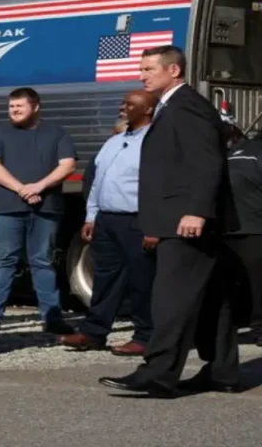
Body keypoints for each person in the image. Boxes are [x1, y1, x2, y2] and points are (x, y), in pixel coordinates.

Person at [100, 45, 238, 397]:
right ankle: (222, 372)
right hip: (178, 218)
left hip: (186, 221)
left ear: (173, 71)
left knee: (170, 299)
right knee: (211, 298)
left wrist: (197, 210)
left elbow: (207, 162)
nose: (142, 75)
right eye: (141, 68)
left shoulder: (187, 106)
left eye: (149, 69)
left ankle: (158, 372)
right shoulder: (173, 106)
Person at [60, 90, 157, 356]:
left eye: (130, 103)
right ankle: (93, 333)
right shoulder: (113, 143)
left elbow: (159, 187)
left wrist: (155, 224)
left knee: (141, 280)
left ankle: (145, 336)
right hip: (107, 220)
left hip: (137, 219)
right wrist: (91, 216)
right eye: (123, 102)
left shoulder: (155, 141)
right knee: (105, 279)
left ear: (148, 110)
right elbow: (98, 182)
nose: (122, 106)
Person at [0, 87, 76, 335]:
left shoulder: (56, 132)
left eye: (20, 106)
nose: (14, 110)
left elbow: (68, 164)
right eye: (11, 106)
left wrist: (40, 186)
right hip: (7, 208)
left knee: (42, 261)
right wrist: (21, 189)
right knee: (5, 260)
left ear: (36, 106)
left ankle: (51, 317)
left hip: (46, 207)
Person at [220, 116, 262, 346]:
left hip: (254, 229)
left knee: (257, 283)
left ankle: (259, 327)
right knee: (232, 285)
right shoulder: (215, 155)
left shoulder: (254, 151)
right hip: (224, 232)